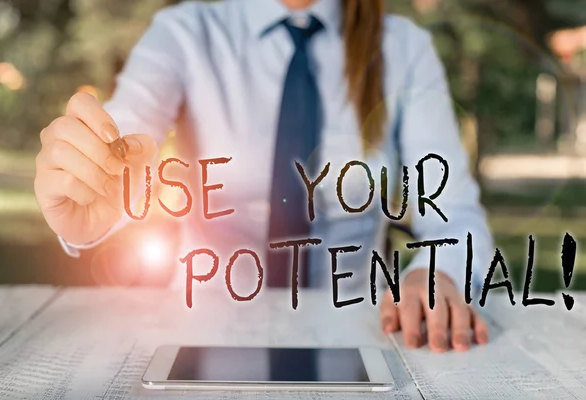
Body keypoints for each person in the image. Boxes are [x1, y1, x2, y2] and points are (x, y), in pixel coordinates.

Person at [34, 0, 493, 354]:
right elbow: (128, 128)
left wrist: (436, 274)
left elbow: (453, 211)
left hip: (363, 330)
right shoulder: (186, 32)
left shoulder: (403, 48)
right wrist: (91, 172)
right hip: (202, 329)